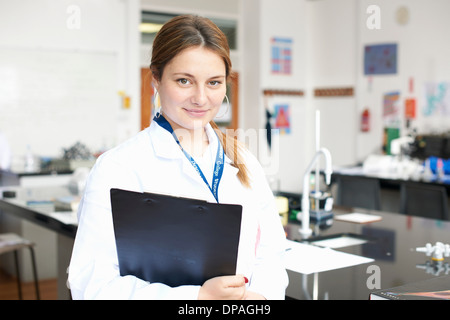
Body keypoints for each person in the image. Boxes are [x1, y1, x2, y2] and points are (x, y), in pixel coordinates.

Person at [68, 14, 288, 300]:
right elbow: (92, 285)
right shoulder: (118, 167)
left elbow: (272, 250)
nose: (200, 98)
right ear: (156, 79)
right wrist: (197, 298)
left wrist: (261, 296)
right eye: (184, 81)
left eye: (213, 83)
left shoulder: (243, 159)